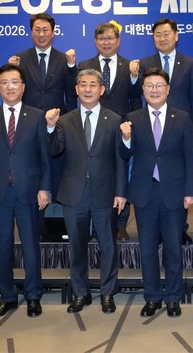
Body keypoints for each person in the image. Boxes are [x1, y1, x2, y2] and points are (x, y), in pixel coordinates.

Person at [45, 69, 127, 314]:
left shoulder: (114, 119)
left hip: (105, 192)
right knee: (77, 246)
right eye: (83, 84)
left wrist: (121, 192)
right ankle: (81, 293)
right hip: (74, 193)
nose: (88, 89)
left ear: (102, 90)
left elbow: (120, 159)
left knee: (108, 245)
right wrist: (50, 128)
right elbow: (54, 150)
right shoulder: (64, 120)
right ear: (76, 89)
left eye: (93, 84)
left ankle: (107, 292)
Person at [0, 63, 52, 319]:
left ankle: (33, 296)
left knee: (31, 245)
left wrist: (45, 188)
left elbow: (45, 157)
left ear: (23, 86)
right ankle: (7, 296)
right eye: (5, 82)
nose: (10, 87)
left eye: (15, 82)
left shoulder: (37, 116)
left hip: (30, 191)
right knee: (2, 246)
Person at [119, 68, 193, 318]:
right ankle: (152, 297)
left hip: (174, 192)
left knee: (174, 248)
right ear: (143, 90)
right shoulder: (133, 118)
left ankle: (173, 297)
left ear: (168, 89)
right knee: (148, 249)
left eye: (159, 85)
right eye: (149, 86)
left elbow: (189, 157)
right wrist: (126, 138)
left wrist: (191, 191)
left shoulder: (182, 118)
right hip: (145, 192)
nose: (154, 90)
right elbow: (125, 154)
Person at [8, 13, 77, 241]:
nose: (41, 34)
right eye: (37, 29)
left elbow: (71, 94)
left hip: (56, 124)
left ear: (53, 32)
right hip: (28, 125)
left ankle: (56, 224)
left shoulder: (63, 59)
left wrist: (68, 123)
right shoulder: (20, 59)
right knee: (32, 171)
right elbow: (12, 92)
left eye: (45, 29)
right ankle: (33, 223)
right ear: (31, 32)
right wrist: (11, 69)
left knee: (56, 172)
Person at [140, 18, 193, 245]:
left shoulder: (189, 63)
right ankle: (156, 231)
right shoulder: (145, 63)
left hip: (179, 131)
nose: (162, 38)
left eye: (166, 33)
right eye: (158, 34)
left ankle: (180, 228)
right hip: (153, 131)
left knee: (178, 178)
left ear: (176, 36)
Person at [78, 21, 142, 241]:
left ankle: (121, 224)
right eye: (101, 38)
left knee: (121, 172)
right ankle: (95, 224)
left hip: (121, 127)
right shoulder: (85, 65)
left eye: (110, 38)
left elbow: (136, 98)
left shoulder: (129, 66)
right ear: (95, 41)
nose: (106, 42)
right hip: (92, 128)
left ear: (118, 40)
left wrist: (133, 126)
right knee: (95, 172)